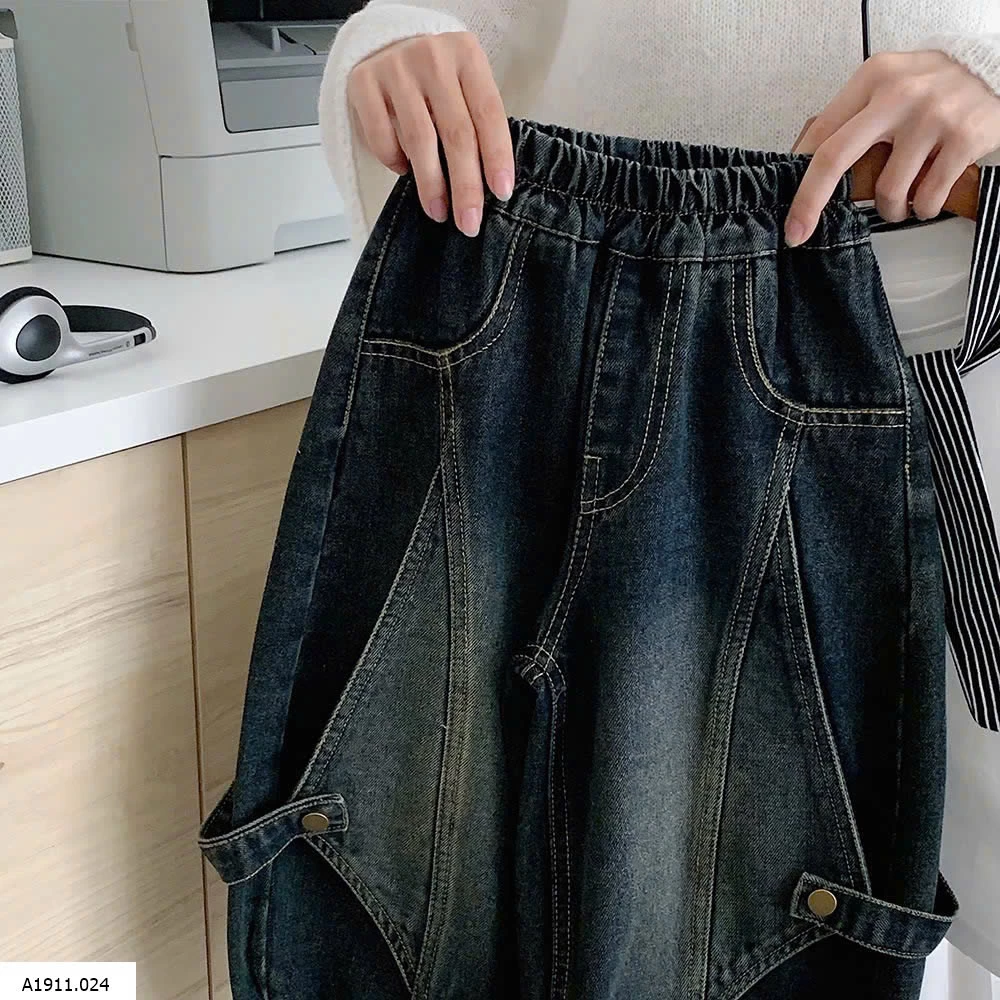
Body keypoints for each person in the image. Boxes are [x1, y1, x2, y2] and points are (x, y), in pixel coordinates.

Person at [317, 1, 1000, 993]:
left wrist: (989, 66)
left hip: (962, 340)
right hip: (588, 338)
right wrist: (388, 44)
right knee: (601, 901)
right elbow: (434, 16)